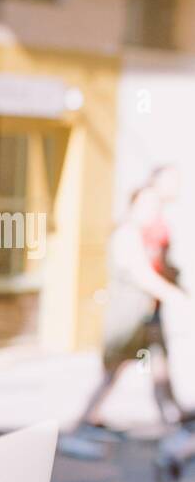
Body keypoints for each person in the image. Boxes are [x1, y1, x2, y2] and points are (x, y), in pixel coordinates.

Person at [61, 172, 190, 461]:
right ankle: (79, 428)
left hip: (147, 319)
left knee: (158, 372)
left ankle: (172, 429)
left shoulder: (147, 236)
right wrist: (178, 298)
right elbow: (143, 276)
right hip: (128, 320)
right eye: (148, 206)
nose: (153, 211)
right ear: (134, 205)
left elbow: (159, 271)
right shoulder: (126, 235)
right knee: (113, 373)